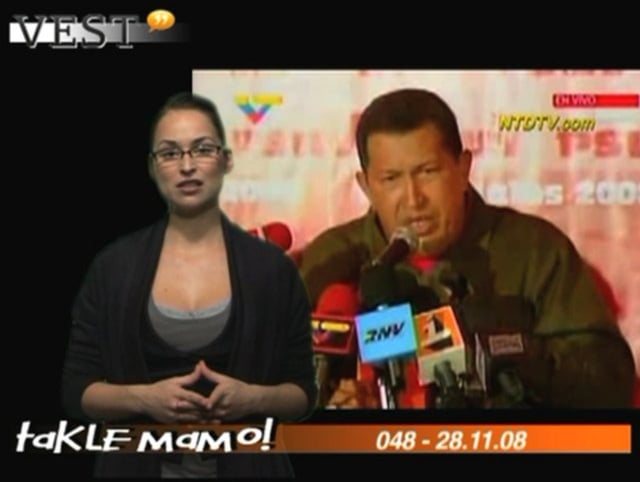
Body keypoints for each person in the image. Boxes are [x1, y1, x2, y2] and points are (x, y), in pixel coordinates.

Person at [299, 88, 636, 409]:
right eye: (391, 179)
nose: (414, 199)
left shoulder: (533, 249)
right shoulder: (331, 260)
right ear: (365, 186)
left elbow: (611, 381)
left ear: (463, 169)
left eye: (428, 172)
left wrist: (518, 356)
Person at [61, 92, 317, 478]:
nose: (186, 166)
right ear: (152, 167)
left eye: (202, 149)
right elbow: (77, 391)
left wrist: (252, 399)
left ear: (226, 160)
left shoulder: (273, 271)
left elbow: (302, 394)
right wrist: (144, 399)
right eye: (169, 153)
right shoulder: (112, 267)